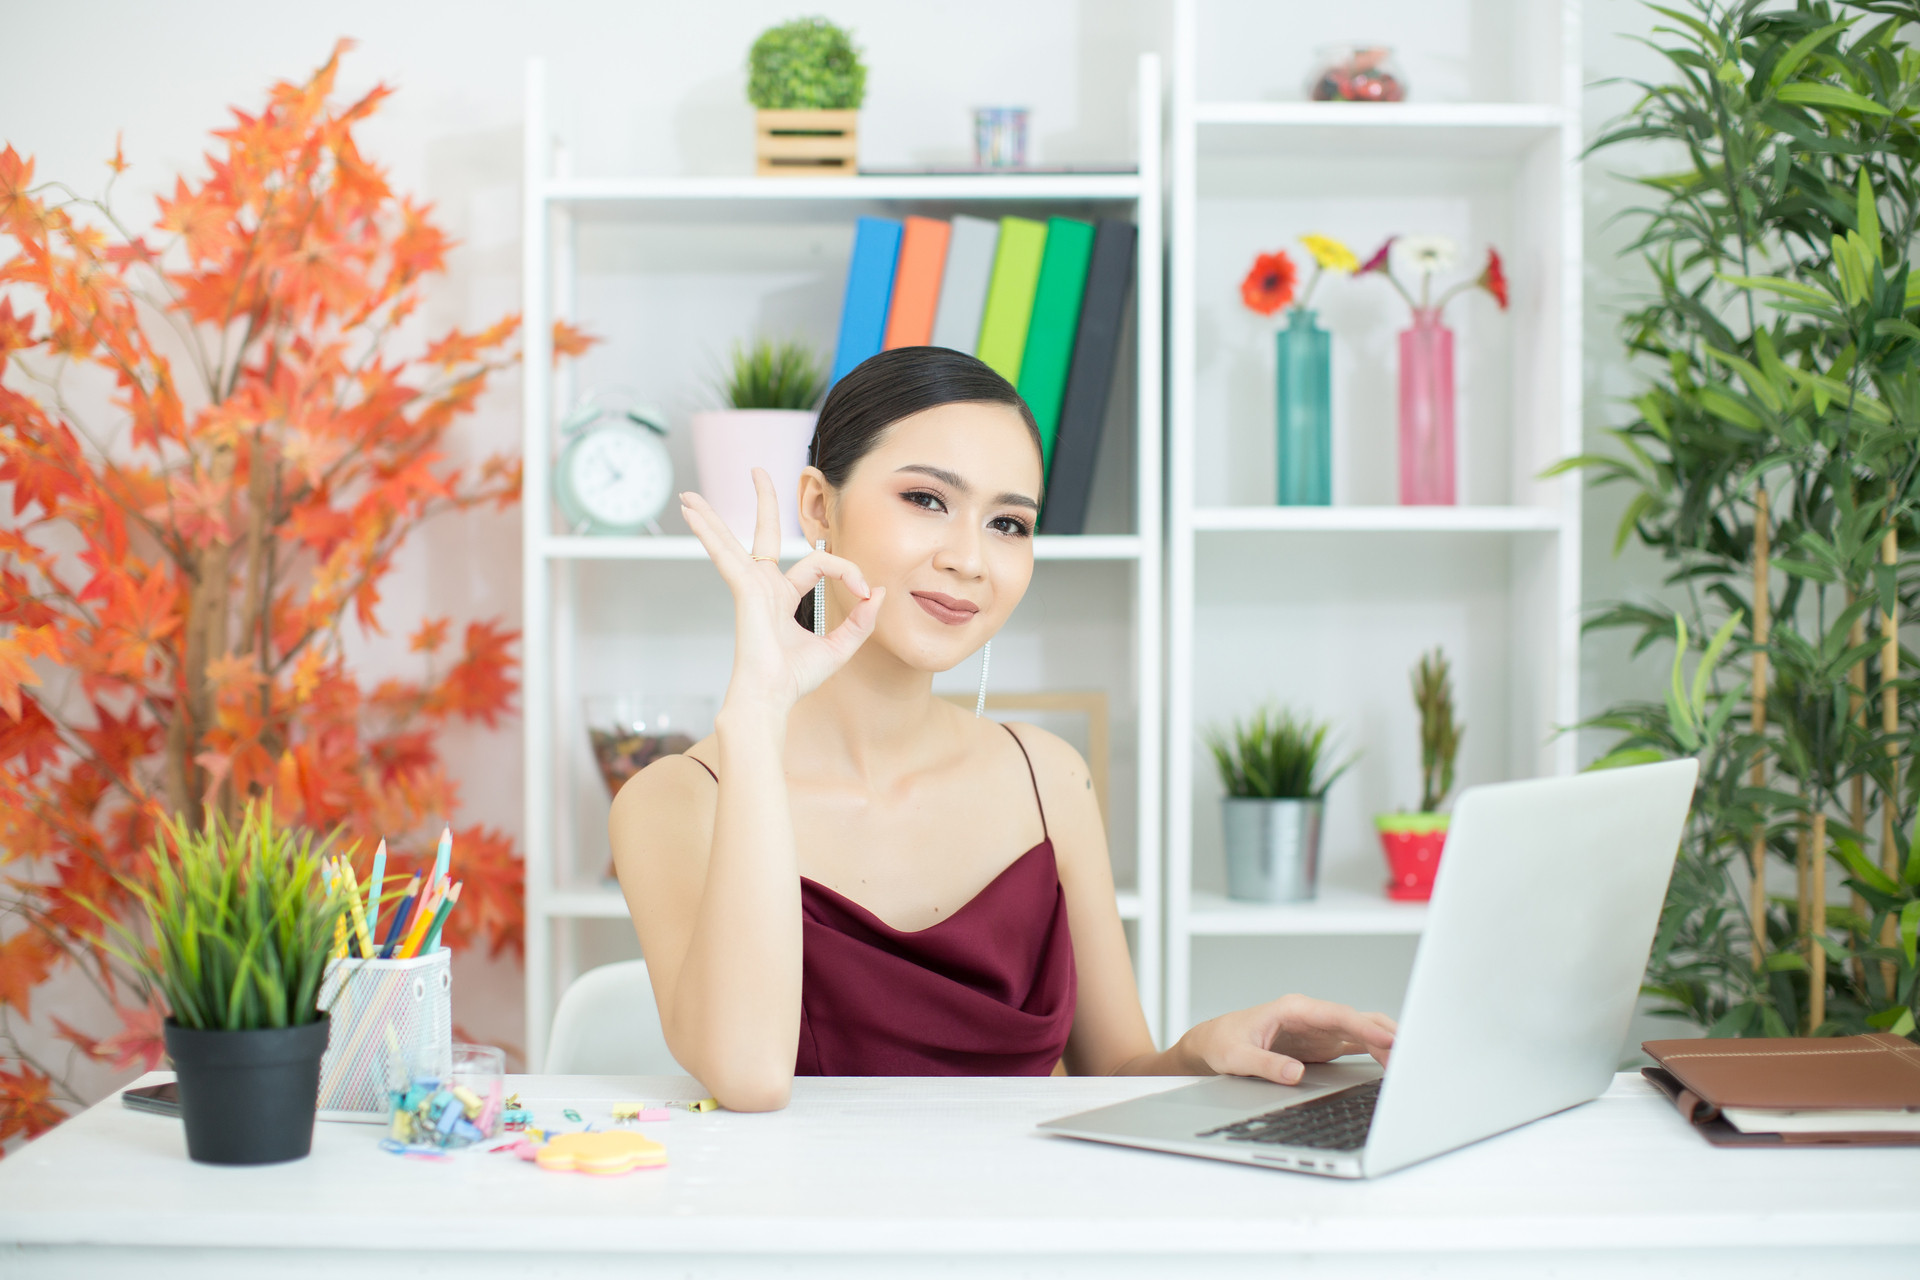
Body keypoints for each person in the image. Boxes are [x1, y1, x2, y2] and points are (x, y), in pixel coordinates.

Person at [610, 347, 1395, 1111]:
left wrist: (1207, 1049)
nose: (971, 559)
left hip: (1031, 1200)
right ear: (819, 507)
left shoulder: (1049, 777)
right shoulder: (673, 801)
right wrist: (756, 716)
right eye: (927, 500)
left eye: (1009, 524)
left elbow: (1115, 1073)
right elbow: (750, 1079)